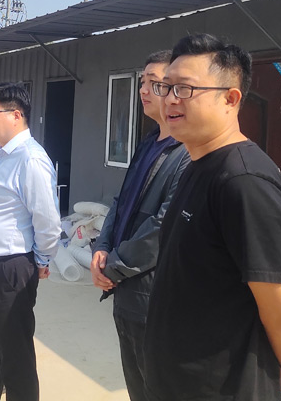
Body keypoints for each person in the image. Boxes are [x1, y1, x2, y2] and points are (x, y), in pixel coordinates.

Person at [142, 33, 281, 401]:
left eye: (185, 89)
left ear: (230, 99)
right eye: (166, 87)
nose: (170, 98)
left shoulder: (244, 182)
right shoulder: (197, 165)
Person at [90, 50, 190, 401]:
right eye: (142, 82)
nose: (144, 90)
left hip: (153, 295)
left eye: (155, 83)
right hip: (126, 289)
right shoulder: (149, 142)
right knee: (137, 385)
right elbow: (122, 202)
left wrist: (113, 267)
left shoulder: (185, 153)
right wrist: (102, 247)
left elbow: (164, 226)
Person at [0, 82, 61, 401]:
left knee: (15, 362)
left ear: (16, 115)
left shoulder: (31, 159)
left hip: (7, 272)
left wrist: (42, 260)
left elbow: (47, 220)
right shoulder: (1, 155)